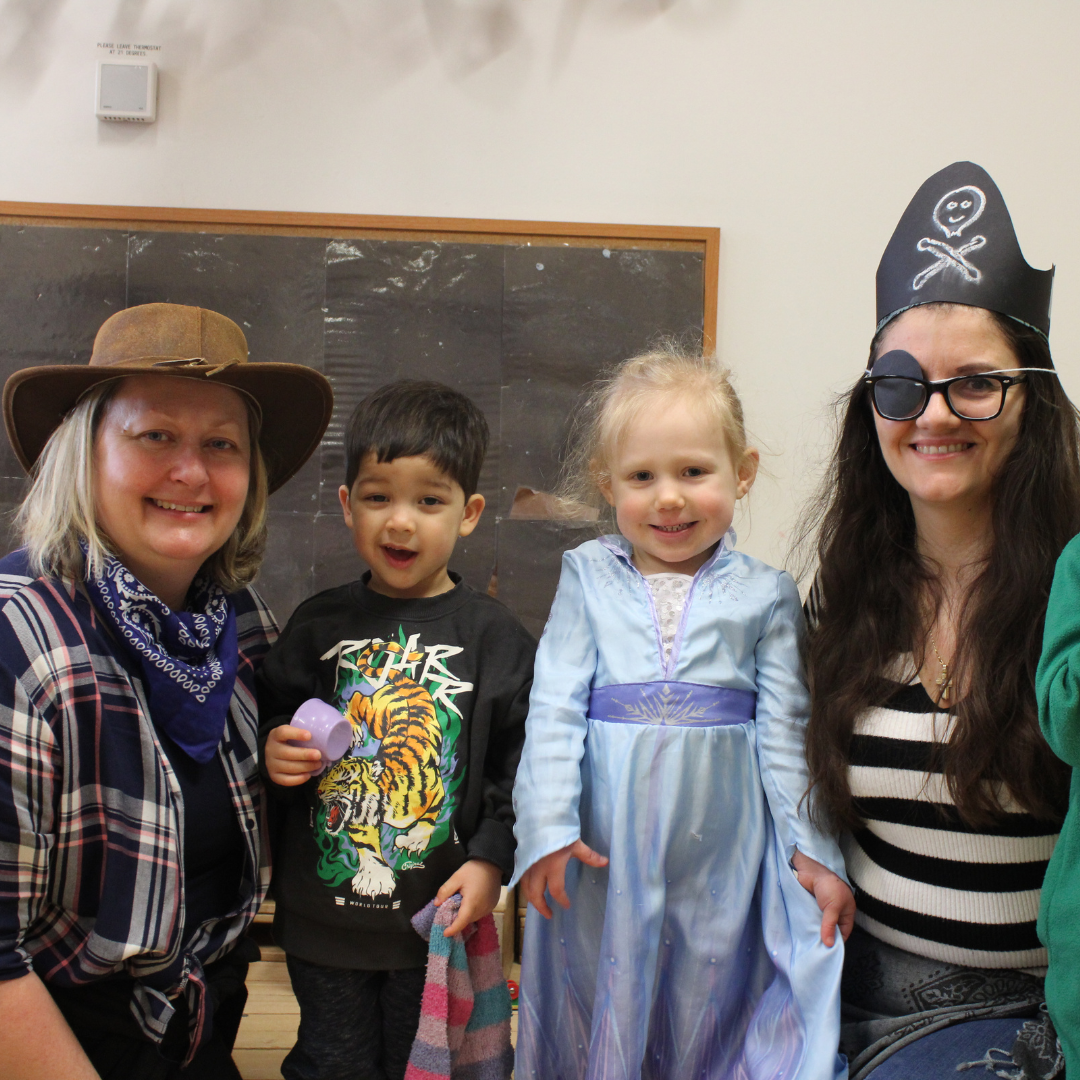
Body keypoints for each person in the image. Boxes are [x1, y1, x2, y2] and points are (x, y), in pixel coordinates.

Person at [0, 302, 333, 1079]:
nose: (191, 471)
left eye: (221, 444)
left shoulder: (246, 628)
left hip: (200, 1027)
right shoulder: (18, 635)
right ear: (83, 454)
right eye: (155, 436)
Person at [801, 162, 1079, 1080]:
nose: (932, 413)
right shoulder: (840, 596)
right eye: (900, 384)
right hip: (838, 999)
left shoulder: (1072, 594)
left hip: (1027, 1019)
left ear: (1032, 399)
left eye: (976, 384)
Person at [511, 346, 854, 1080]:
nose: (669, 498)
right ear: (608, 486)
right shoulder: (587, 578)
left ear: (744, 473)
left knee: (710, 985)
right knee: (607, 978)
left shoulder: (767, 595)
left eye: (694, 472)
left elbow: (788, 735)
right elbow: (554, 708)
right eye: (642, 477)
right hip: (602, 842)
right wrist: (546, 828)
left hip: (720, 843)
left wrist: (815, 853)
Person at [258, 380, 535, 1080]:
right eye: (379, 497)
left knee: (429, 1068)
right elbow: (267, 726)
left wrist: (491, 859)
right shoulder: (317, 626)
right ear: (348, 504)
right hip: (325, 923)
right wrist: (276, 753)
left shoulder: (494, 637)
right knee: (332, 1062)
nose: (400, 523)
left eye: (429, 500)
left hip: (435, 924)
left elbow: (518, 767)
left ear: (469, 514)